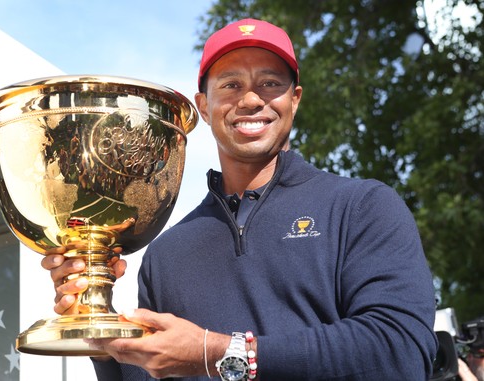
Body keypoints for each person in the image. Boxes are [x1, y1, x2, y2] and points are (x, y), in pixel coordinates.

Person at [43, 18, 438, 380]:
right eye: (231, 85)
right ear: (204, 106)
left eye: (269, 83)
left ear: (295, 99)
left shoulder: (362, 207)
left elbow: (401, 350)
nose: (251, 100)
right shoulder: (166, 253)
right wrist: (100, 329)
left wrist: (218, 352)